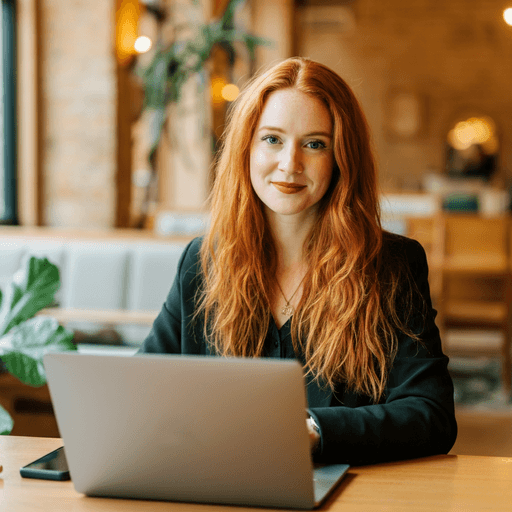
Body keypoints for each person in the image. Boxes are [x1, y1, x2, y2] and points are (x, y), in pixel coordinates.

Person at [138, 57, 457, 465]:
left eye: (314, 144)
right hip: (219, 487)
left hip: (343, 495)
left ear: (342, 158)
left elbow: (430, 415)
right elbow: (144, 388)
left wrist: (314, 432)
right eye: (272, 139)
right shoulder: (203, 262)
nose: (290, 164)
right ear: (246, 148)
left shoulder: (391, 266)